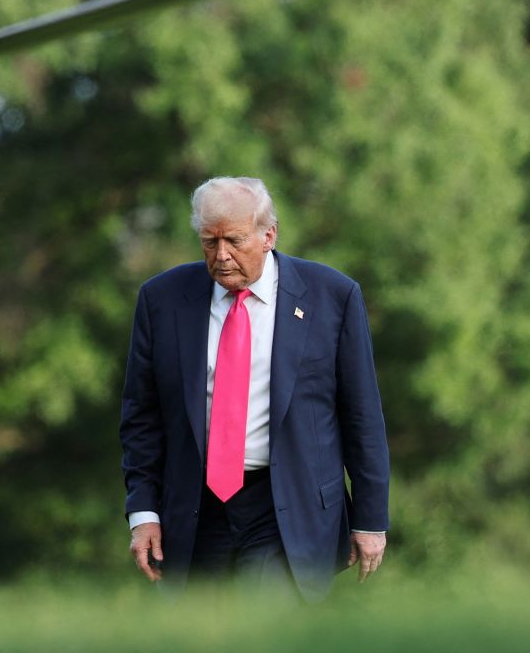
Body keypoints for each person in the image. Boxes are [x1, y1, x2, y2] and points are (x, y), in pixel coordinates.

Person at [119, 176, 389, 601]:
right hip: (193, 507)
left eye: (234, 240)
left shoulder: (332, 297)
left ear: (269, 236)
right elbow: (142, 417)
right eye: (209, 242)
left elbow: (362, 416)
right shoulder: (162, 300)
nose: (221, 255)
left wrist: (370, 519)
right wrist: (143, 511)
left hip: (287, 506)